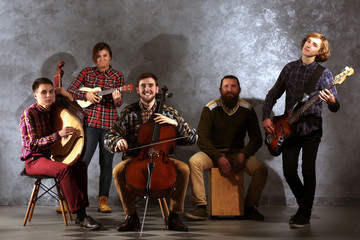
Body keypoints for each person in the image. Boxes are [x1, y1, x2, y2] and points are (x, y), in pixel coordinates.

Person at [262, 32, 340, 228]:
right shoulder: (289, 68)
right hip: (288, 128)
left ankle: (304, 214)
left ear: (320, 51)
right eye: (307, 41)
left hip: (311, 128)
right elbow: (273, 94)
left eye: (314, 44)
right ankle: (305, 204)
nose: (308, 45)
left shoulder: (325, 74)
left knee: (308, 170)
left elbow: (335, 105)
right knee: (289, 171)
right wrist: (265, 117)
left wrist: (331, 101)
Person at [104, 72, 197, 232]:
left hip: (163, 159)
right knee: (118, 171)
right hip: (136, 159)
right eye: (143, 86)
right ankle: (131, 216)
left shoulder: (168, 112)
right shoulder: (129, 112)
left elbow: (192, 137)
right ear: (138, 90)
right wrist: (118, 140)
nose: (147, 89)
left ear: (157, 89)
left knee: (184, 169)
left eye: (150, 86)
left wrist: (175, 124)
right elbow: (109, 137)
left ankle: (174, 216)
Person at [20, 77, 101, 230]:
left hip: (52, 155)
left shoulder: (54, 108)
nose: (49, 95)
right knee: (64, 169)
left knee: (80, 165)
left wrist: (69, 96)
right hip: (34, 160)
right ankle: (81, 216)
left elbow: (81, 116)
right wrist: (58, 135)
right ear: (35, 95)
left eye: (51, 92)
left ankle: (82, 212)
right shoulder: (28, 113)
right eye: (44, 92)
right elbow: (32, 144)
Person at [185, 75, 268, 221]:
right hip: (213, 154)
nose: (230, 90)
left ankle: (249, 207)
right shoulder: (210, 108)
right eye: (226, 86)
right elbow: (201, 138)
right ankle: (200, 207)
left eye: (233, 86)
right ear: (220, 90)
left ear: (239, 90)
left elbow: (256, 138)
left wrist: (243, 154)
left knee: (261, 169)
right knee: (194, 161)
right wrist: (218, 156)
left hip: (238, 153)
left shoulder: (247, 109)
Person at [67, 42, 124, 213]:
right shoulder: (86, 72)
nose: (102, 59)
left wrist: (116, 98)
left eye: (105, 55)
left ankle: (103, 200)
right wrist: (86, 94)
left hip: (109, 125)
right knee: (82, 162)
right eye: (98, 56)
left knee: (106, 163)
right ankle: (75, 199)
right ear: (95, 58)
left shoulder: (117, 76)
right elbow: (70, 90)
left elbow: (119, 102)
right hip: (90, 123)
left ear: (110, 57)